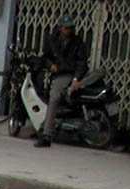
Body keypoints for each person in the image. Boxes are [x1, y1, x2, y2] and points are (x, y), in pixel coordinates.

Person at [38, 12, 88, 148]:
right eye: (66, 28)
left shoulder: (77, 42)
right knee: (54, 98)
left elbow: (82, 62)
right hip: (62, 73)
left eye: (71, 27)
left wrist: (77, 78)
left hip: (74, 73)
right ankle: (46, 134)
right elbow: (45, 57)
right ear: (60, 27)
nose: (69, 30)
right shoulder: (53, 40)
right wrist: (51, 65)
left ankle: (47, 132)